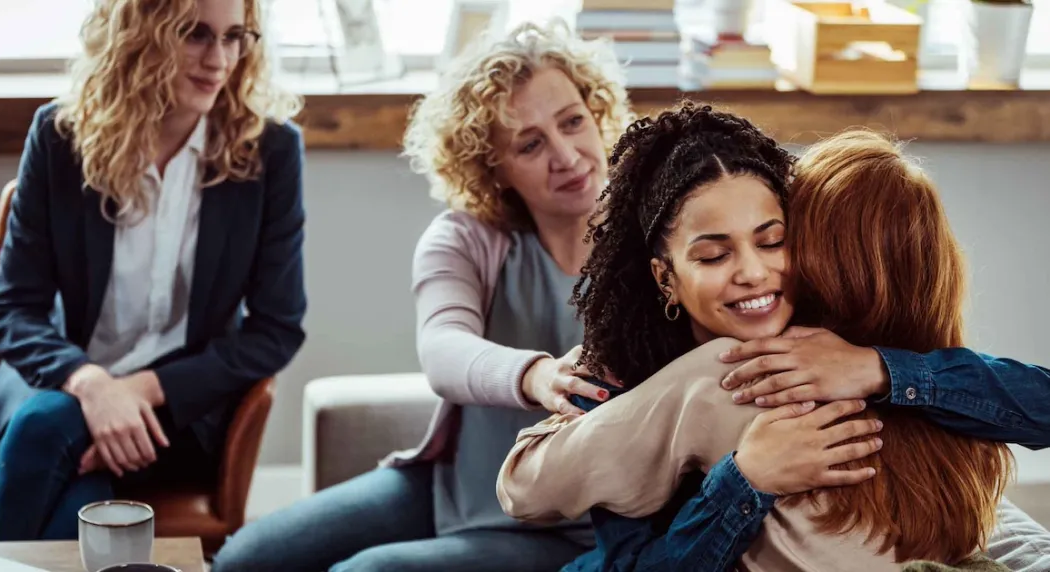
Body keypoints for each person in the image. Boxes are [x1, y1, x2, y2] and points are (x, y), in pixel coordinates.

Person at [211, 21, 878, 572]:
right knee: (248, 558)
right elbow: (442, 348)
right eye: (530, 144)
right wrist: (535, 375)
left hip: (573, 523)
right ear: (490, 165)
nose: (567, 155)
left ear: (598, 113)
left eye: (572, 121)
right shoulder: (468, 238)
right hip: (458, 485)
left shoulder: (668, 235)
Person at [497, 107, 1050, 570]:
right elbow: (573, 522)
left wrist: (878, 368)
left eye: (772, 241)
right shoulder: (639, 375)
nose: (753, 273)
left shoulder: (826, 346)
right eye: (714, 255)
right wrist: (746, 481)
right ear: (666, 277)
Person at [0, 0, 307, 542]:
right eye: (194, 34)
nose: (219, 59)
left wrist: (139, 392)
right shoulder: (61, 136)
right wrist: (91, 384)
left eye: (235, 37)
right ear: (140, 33)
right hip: (55, 380)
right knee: (50, 432)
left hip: (175, 409)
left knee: (52, 448)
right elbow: (13, 310)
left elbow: (276, 329)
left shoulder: (271, 151)